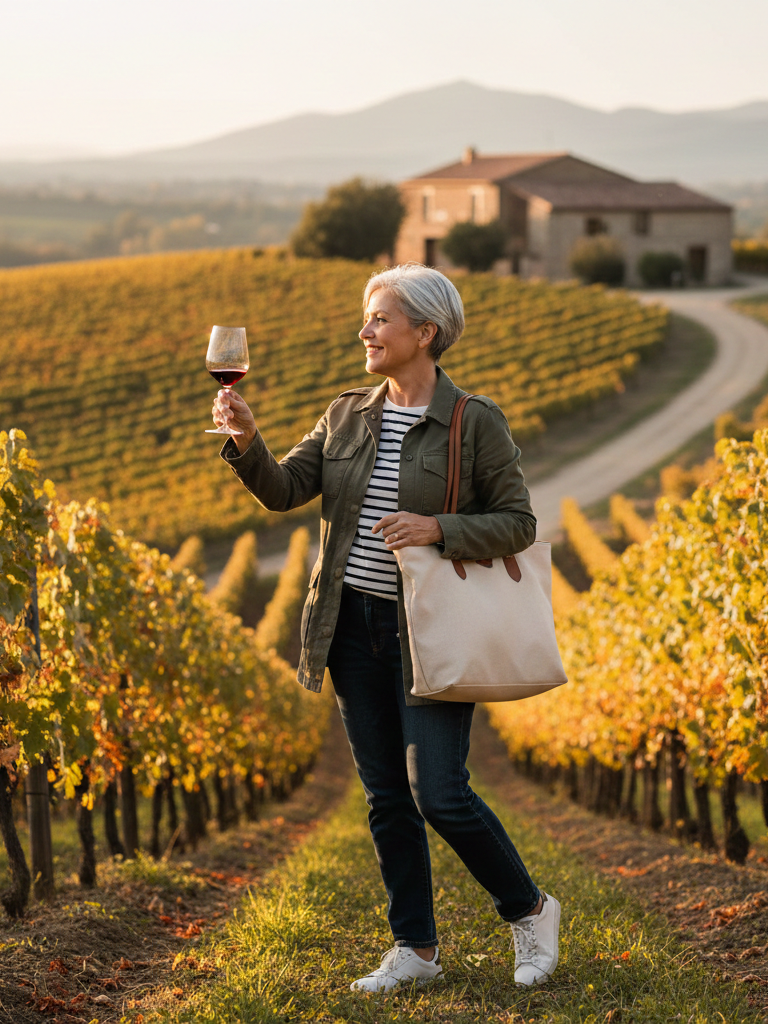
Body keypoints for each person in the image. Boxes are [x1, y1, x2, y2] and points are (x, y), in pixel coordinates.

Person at [211, 263, 561, 992]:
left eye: (379, 318)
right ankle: (416, 949)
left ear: (425, 332)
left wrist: (438, 527)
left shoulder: (474, 421)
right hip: (349, 626)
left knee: (441, 793)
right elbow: (285, 491)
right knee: (384, 796)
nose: (364, 330)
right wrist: (248, 442)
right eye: (366, 318)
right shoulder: (346, 412)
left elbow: (520, 522)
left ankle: (529, 909)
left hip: (428, 628)